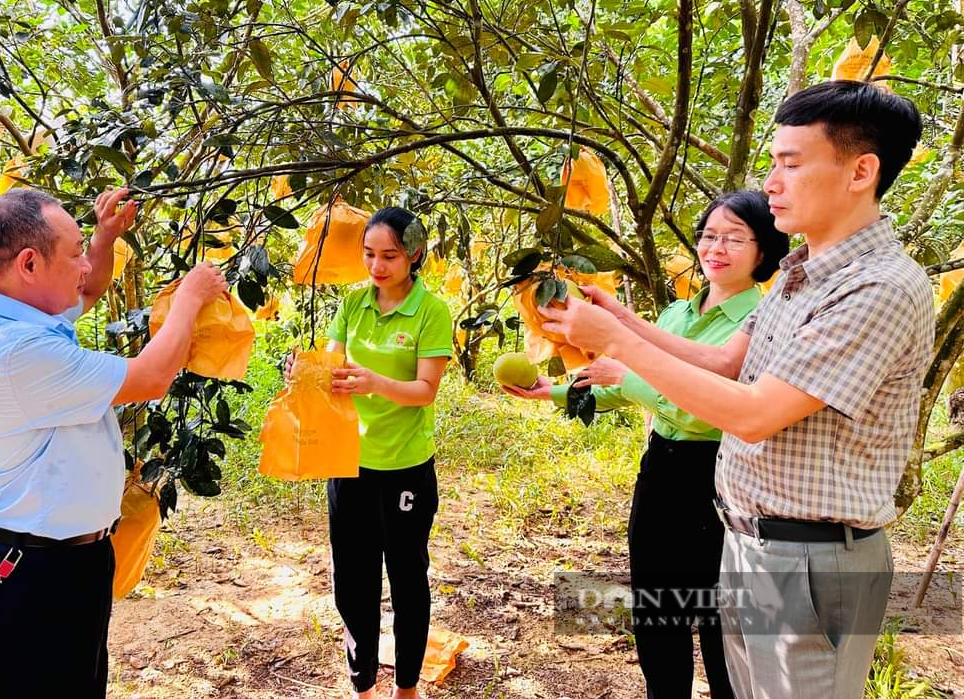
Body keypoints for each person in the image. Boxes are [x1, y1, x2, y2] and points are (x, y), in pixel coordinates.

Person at [539, 81, 934, 699]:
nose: (771, 182)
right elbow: (724, 362)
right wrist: (621, 320)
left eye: (791, 163)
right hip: (752, 542)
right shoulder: (800, 276)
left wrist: (616, 345)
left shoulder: (878, 288)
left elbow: (753, 415)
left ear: (861, 171)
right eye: (772, 163)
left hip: (811, 561)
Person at [504, 191, 788, 699]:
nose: (716, 248)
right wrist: (555, 391)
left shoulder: (758, 322)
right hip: (661, 470)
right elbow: (626, 380)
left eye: (734, 238)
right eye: (709, 236)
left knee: (720, 614)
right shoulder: (679, 313)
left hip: (717, 475)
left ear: (763, 251)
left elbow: (699, 402)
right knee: (656, 606)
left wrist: (627, 373)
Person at [0, 187, 227, 699]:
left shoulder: (17, 313)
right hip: (36, 570)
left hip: (68, 560)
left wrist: (104, 236)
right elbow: (150, 377)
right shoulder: (17, 350)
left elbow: (88, 291)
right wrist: (190, 298)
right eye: (75, 252)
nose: (84, 266)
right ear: (29, 264)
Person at [288, 206, 453, 699]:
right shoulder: (353, 304)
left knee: (406, 579)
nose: (377, 267)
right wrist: (308, 370)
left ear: (414, 255)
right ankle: (361, 683)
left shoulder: (431, 311)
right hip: (348, 462)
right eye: (368, 255)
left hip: (404, 467)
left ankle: (406, 687)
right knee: (353, 581)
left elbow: (425, 390)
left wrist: (377, 382)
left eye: (389, 256)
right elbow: (336, 370)